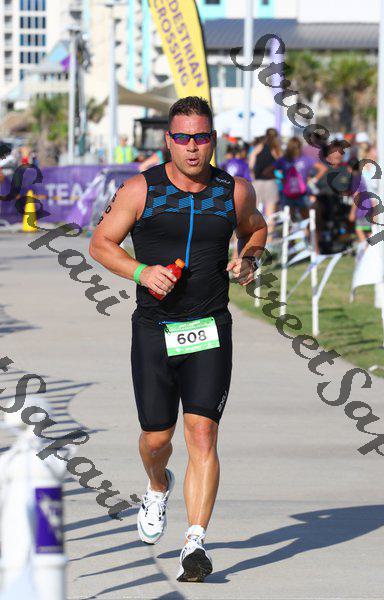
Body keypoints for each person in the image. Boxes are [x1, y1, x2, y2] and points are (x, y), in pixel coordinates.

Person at [89, 96, 267, 583]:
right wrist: (141, 272)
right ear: (169, 140)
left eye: (201, 137)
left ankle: (195, 542)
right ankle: (156, 484)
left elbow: (256, 229)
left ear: (214, 140)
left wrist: (250, 258)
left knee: (202, 433)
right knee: (157, 438)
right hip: (155, 329)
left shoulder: (233, 191)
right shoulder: (140, 189)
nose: (192, 147)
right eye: (183, 137)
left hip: (209, 327)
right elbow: (100, 243)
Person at [275, 137, 326, 221]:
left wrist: (282, 179)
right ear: (300, 147)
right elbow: (323, 168)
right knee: (306, 219)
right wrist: (314, 180)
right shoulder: (305, 159)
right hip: (302, 192)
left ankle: (297, 227)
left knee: (290, 219)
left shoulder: (284, 160)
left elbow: (271, 170)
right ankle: (307, 229)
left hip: (290, 192)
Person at [249, 129, 281, 229]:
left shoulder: (260, 146)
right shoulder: (276, 149)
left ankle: (254, 236)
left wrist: (253, 174)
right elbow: (281, 163)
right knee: (270, 215)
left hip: (257, 182)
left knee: (253, 213)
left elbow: (251, 161)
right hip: (271, 182)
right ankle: (270, 237)